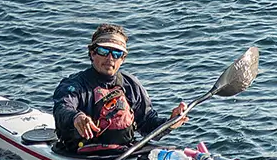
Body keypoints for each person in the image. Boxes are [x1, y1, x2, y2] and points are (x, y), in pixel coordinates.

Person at [53, 24, 186, 153]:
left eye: (117, 53)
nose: (110, 58)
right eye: (104, 51)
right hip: (82, 154)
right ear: (92, 53)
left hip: (123, 153)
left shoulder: (130, 84)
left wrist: (171, 122)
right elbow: (63, 107)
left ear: (123, 58)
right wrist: (76, 117)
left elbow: (148, 125)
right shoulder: (75, 84)